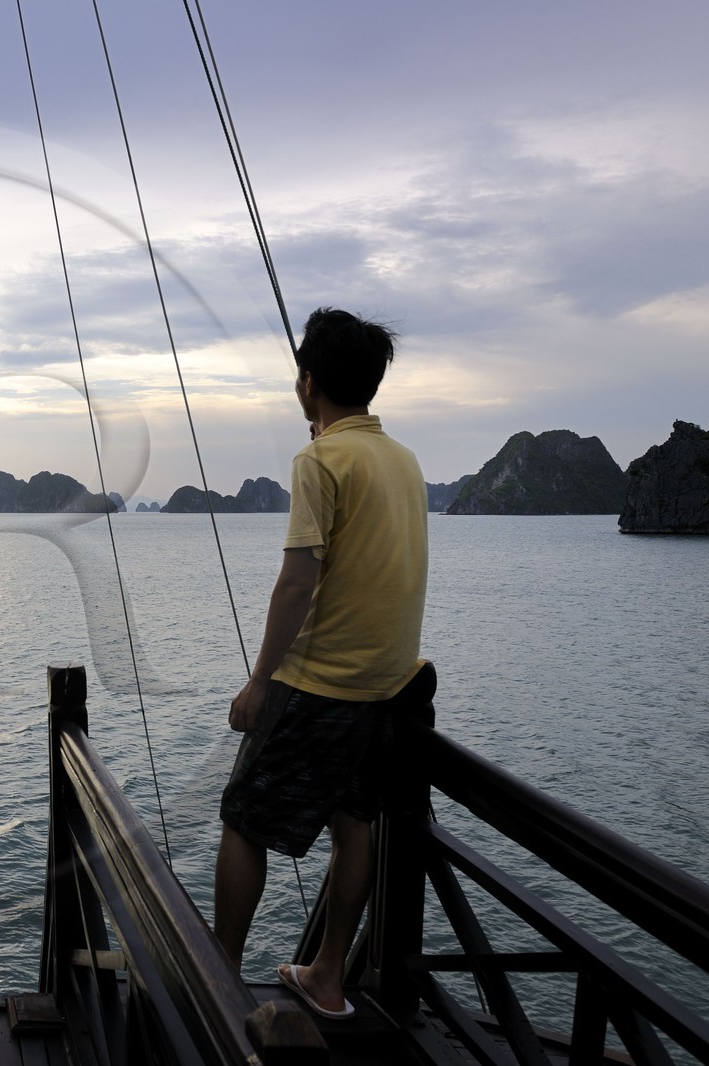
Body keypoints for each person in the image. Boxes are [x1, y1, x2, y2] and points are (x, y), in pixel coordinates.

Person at [211, 307, 428, 1020]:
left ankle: (220, 981)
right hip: (388, 687)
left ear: (309, 383)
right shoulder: (401, 459)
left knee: (243, 819)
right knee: (353, 822)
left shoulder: (321, 460)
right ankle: (329, 978)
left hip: (321, 684)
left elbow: (299, 581)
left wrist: (258, 680)